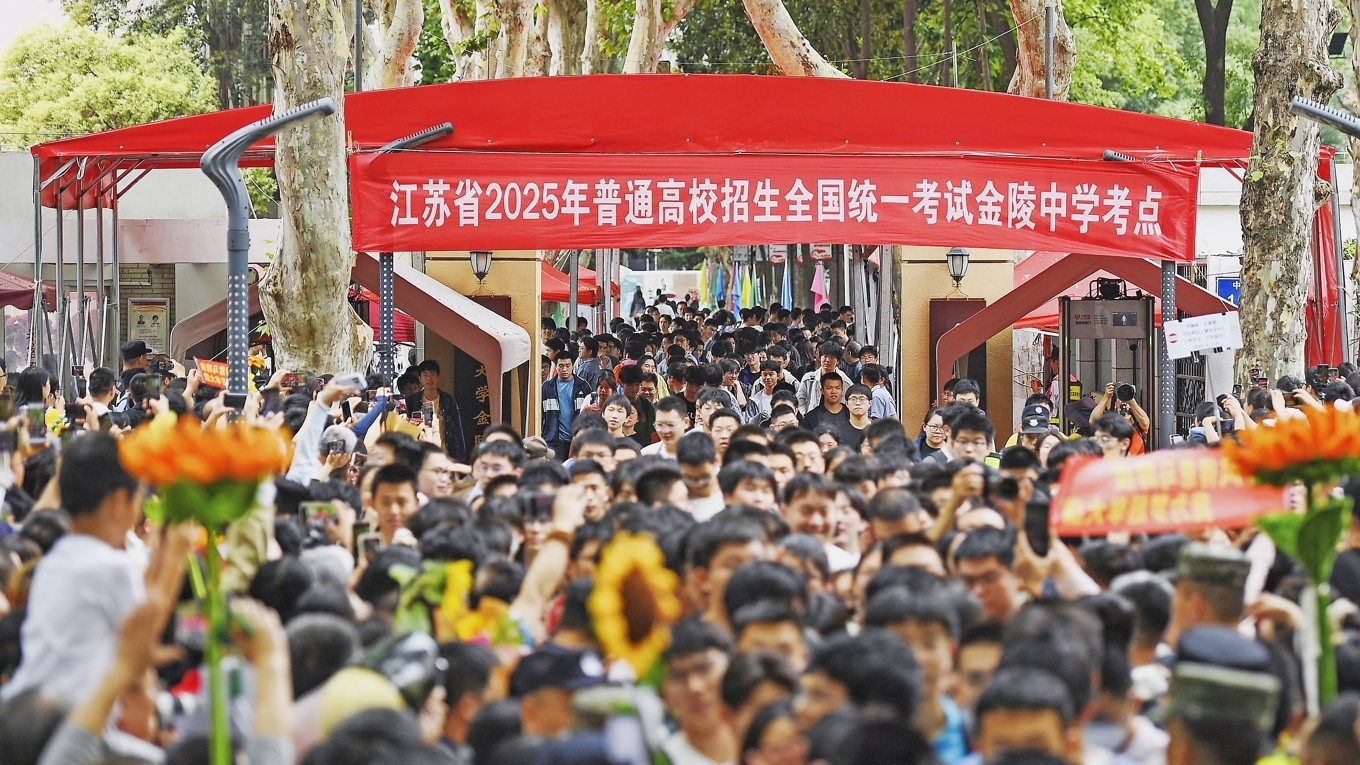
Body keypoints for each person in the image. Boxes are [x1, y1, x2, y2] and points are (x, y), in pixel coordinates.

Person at [2, 433, 190, 705]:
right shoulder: (108, 567)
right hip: (62, 723)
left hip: (25, 712)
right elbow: (145, 636)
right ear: (117, 502)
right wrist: (175, 556)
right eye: (137, 497)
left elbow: (141, 602)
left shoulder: (56, 559)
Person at [661, 620, 738, 765]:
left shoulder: (765, 747)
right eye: (678, 676)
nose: (694, 687)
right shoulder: (658, 757)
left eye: (703, 669)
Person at [404, 360, 468, 463]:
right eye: (425, 375)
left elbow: (457, 431)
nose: (429, 378)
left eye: (432, 374)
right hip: (420, 455)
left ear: (438, 377)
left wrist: (459, 458)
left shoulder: (448, 401)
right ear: (420, 378)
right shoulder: (412, 401)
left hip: (444, 454)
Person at [541, 355, 593, 461]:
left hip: (578, 438)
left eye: (567, 365)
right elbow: (540, 414)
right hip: (554, 439)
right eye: (561, 366)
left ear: (572, 366)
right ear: (555, 367)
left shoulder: (583, 386)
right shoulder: (547, 387)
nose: (564, 369)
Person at [796, 342, 852, 414]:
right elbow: (800, 399)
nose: (827, 360)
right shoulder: (809, 378)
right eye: (825, 356)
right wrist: (805, 415)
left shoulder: (845, 381)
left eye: (832, 357)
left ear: (838, 361)